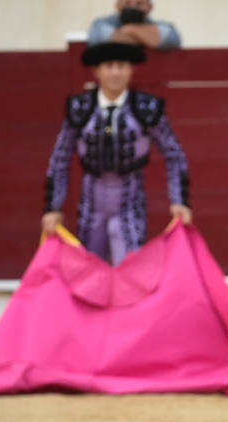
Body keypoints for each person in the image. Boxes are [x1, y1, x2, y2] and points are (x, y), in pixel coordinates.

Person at [42, 42, 191, 266]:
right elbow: (60, 158)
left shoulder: (146, 108)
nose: (115, 72)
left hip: (130, 202)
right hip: (91, 202)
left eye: (121, 65)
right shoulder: (79, 108)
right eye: (108, 66)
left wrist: (179, 200)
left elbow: (174, 153)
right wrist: (52, 207)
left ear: (131, 69)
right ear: (96, 71)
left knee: (130, 269)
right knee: (89, 271)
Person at [87, 0, 182, 51]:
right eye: (127, 3)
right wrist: (146, 38)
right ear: (118, 6)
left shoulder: (159, 25)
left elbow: (172, 38)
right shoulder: (101, 23)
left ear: (150, 7)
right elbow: (96, 37)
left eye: (139, 3)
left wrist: (129, 29)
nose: (133, 7)